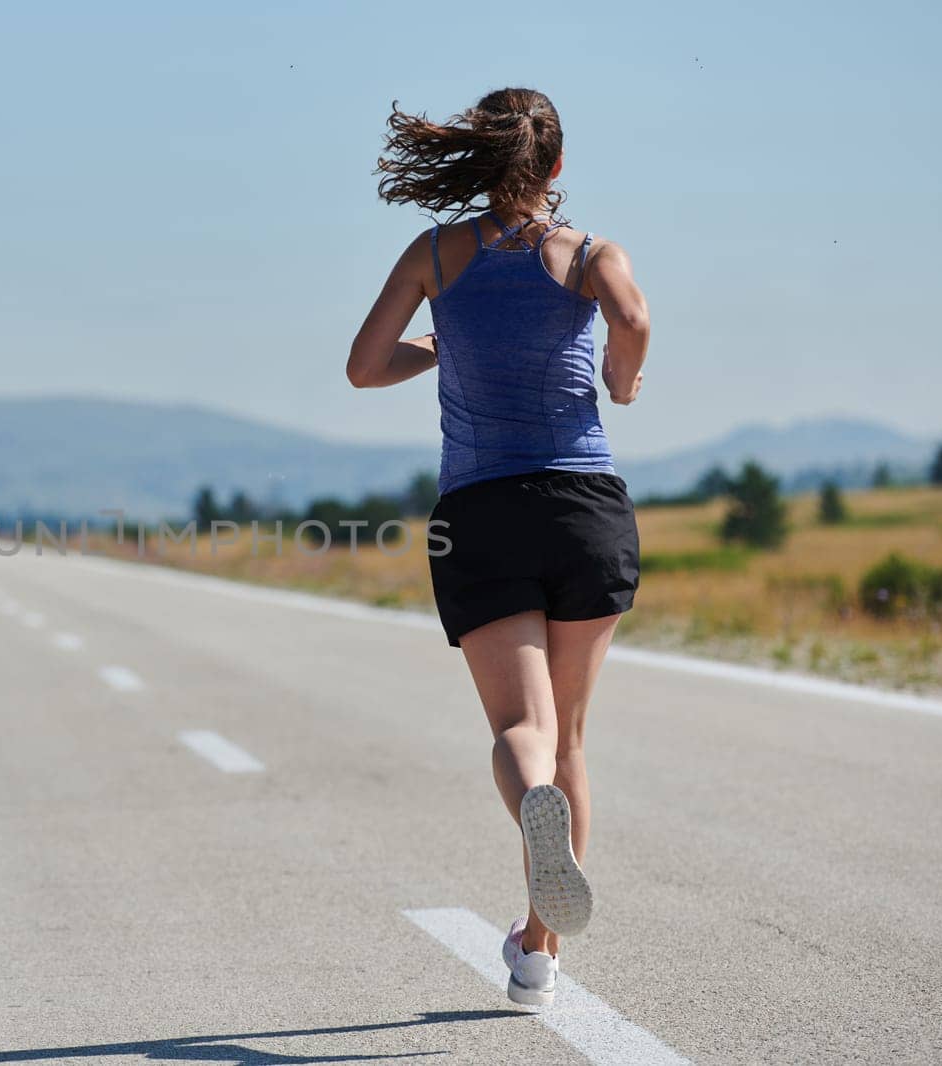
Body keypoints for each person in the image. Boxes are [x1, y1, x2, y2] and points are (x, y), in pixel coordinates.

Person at [345, 87, 649, 1008]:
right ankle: (540, 949)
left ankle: (531, 818)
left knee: (525, 733)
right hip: (585, 506)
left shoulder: (436, 252)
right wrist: (621, 381)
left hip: (479, 510)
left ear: (479, 159)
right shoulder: (591, 253)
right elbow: (632, 323)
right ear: (556, 167)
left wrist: (439, 350)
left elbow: (364, 366)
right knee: (575, 742)